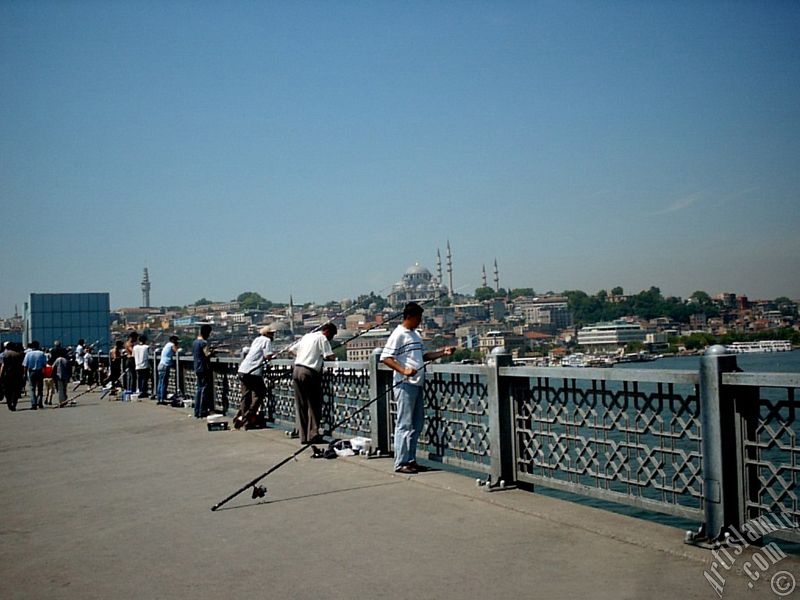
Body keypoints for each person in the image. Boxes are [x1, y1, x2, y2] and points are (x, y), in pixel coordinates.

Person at [380, 302, 453, 474]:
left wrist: (443, 353)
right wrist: (403, 370)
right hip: (405, 384)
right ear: (410, 317)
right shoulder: (398, 334)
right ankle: (401, 462)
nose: (420, 321)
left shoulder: (416, 335)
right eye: (419, 318)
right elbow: (386, 357)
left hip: (418, 383)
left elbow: (424, 356)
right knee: (404, 424)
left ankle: (411, 459)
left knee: (417, 424)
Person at [288, 323, 337, 444]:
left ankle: (303, 436)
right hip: (309, 372)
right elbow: (330, 356)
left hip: (297, 369)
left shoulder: (307, 336)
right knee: (314, 404)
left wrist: (305, 356)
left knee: (301, 405)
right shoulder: (322, 338)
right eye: (332, 335)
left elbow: (291, 350)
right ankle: (313, 434)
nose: (331, 339)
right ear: (327, 332)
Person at [234, 326, 276, 430]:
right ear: (267, 334)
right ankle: (248, 416)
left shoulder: (256, 340)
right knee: (260, 393)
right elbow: (267, 356)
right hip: (253, 372)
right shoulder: (266, 341)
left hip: (242, 370)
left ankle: (243, 419)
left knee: (246, 396)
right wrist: (273, 357)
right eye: (271, 333)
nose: (273, 335)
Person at [192, 324, 215, 418]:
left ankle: (197, 410)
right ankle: (202, 410)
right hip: (203, 367)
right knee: (203, 389)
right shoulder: (203, 342)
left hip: (196, 367)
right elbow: (207, 354)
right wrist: (212, 352)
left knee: (199, 388)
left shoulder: (194, 342)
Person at [23, 340, 48, 410]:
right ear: (38, 346)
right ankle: (40, 403)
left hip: (31, 372)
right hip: (40, 371)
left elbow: (25, 365)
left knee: (32, 388)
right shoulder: (41, 353)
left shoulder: (28, 354)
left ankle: (33, 404)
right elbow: (44, 364)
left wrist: (24, 374)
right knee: (40, 388)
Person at [0, 342, 24, 411]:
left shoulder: (5, 354)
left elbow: (3, 366)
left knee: (8, 390)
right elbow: (21, 366)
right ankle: (14, 403)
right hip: (17, 374)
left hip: (7, 375)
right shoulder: (18, 354)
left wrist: (1, 375)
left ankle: (9, 403)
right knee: (16, 390)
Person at [156, 336, 179, 403]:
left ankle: (159, 397)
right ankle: (162, 399)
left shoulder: (167, 345)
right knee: (164, 383)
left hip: (161, 365)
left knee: (160, 382)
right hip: (165, 365)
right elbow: (176, 351)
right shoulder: (171, 345)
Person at [123, 331, 139, 395]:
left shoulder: (127, 343)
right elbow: (132, 351)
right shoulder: (130, 343)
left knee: (130, 376)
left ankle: (129, 389)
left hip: (128, 359)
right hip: (131, 360)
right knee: (133, 376)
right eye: (135, 338)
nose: (136, 339)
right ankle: (132, 389)